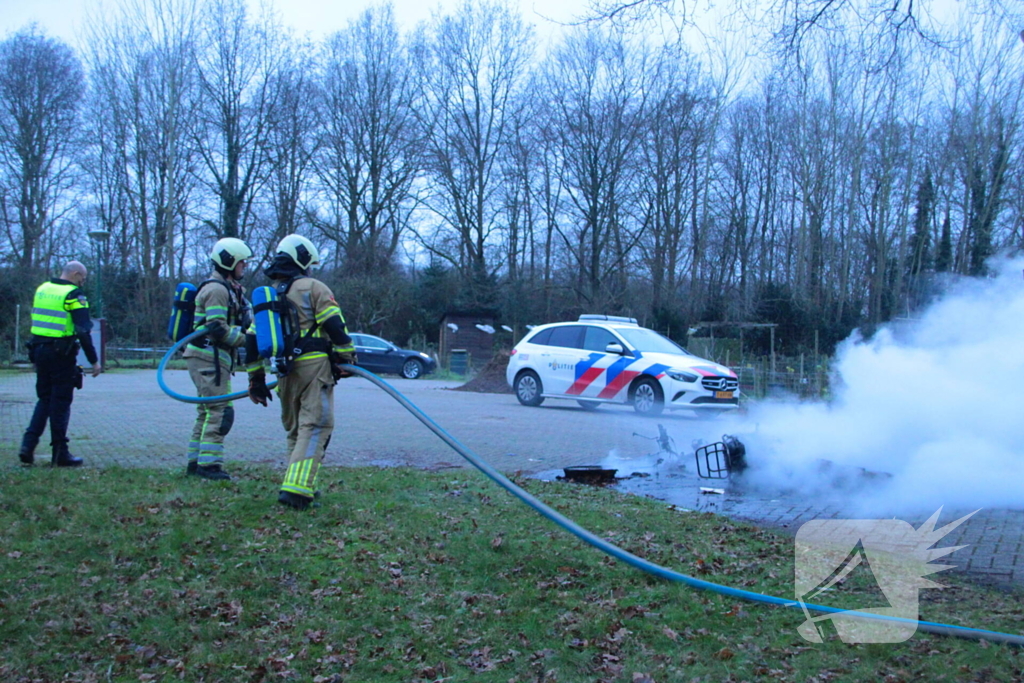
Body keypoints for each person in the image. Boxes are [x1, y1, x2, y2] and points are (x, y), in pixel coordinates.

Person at [246, 234, 357, 510]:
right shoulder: (313, 287)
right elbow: (334, 324)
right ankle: (296, 492)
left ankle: (301, 484)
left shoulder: (272, 294)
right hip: (314, 366)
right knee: (317, 425)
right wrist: (347, 356)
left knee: (296, 429)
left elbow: (251, 340)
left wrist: (256, 380)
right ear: (303, 260)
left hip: (283, 370)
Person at [19, 261, 102, 467]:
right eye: (82, 277)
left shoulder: (43, 289)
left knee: (45, 400)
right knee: (61, 403)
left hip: (38, 351)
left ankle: (28, 446)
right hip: (61, 354)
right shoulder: (74, 295)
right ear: (75, 274)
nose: (83, 282)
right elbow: (83, 330)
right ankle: (60, 453)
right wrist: (94, 360)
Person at [183, 237, 253, 480]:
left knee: (207, 411)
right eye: (242, 262)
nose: (244, 266)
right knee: (220, 412)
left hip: (211, 357)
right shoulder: (216, 290)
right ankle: (209, 466)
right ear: (229, 261)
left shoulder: (229, 289)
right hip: (207, 357)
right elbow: (217, 328)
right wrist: (248, 341)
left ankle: (196, 463)